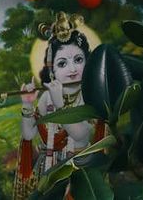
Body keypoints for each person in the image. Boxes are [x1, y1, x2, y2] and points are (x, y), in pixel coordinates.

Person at [14, 12, 105, 196]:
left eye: (78, 60)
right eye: (62, 64)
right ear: (52, 70)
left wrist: (61, 106)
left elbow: (81, 135)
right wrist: (28, 104)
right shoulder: (46, 98)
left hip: (80, 172)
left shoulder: (89, 95)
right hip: (49, 172)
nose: (72, 69)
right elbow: (29, 134)